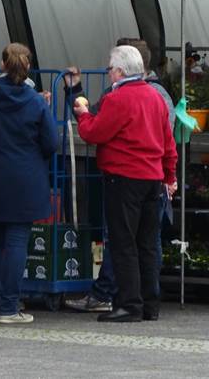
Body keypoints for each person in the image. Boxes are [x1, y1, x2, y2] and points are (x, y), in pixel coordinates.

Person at [64, 39, 177, 314]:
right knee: (147, 244)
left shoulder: (117, 99)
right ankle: (150, 304)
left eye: (109, 69)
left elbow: (94, 133)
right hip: (153, 179)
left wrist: (82, 113)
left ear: (119, 71)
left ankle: (128, 304)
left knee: (123, 243)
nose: (108, 73)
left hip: (124, 179)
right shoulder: (155, 97)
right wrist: (169, 176)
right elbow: (168, 144)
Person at [0, 42, 58, 324]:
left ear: (3, 65)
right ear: (27, 67)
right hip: (26, 180)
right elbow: (51, 143)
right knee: (17, 242)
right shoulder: (37, 102)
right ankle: (8, 307)